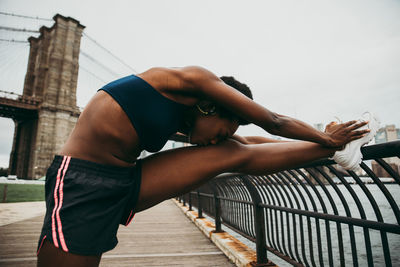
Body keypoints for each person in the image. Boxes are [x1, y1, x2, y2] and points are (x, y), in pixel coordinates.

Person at [36, 66, 376, 267]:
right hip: (83, 181)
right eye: (223, 130)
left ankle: (339, 154)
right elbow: (272, 121)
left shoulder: (187, 118)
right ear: (210, 108)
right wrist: (323, 136)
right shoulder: (192, 80)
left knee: (232, 153)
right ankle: (334, 148)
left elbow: (249, 145)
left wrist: (324, 146)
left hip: (126, 179)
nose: (216, 140)